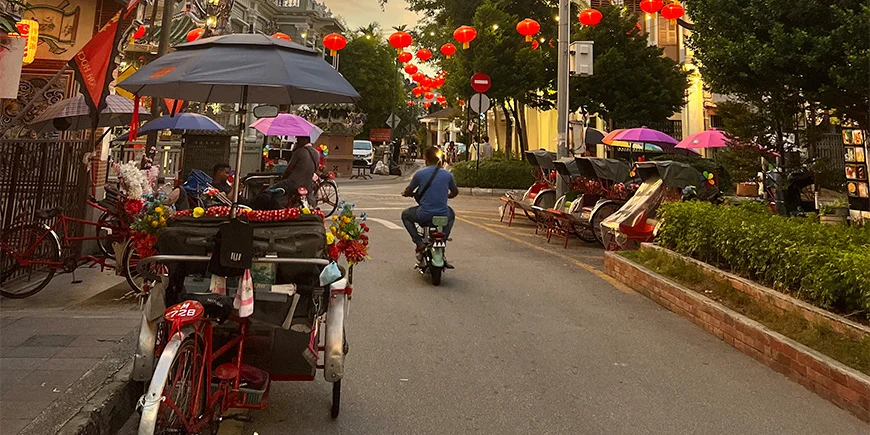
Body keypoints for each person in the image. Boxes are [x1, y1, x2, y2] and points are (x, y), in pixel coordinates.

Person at [401, 147, 458, 255]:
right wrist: (447, 196)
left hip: (424, 215)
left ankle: (419, 242)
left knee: (405, 215)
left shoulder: (419, 174)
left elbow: (409, 190)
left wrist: (406, 194)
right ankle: (443, 239)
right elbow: (455, 192)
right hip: (443, 215)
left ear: (425, 159)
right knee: (452, 214)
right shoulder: (447, 174)